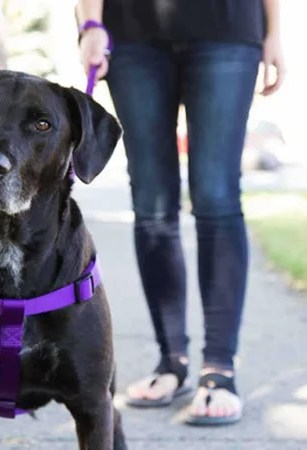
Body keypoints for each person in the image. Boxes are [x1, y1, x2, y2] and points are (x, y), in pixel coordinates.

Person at [76, 0, 285, 425]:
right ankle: (171, 361)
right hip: (132, 30)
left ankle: (219, 368)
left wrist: (275, 31)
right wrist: (90, 23)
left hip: (228, 25)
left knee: (217, 197)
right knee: (151, 204)